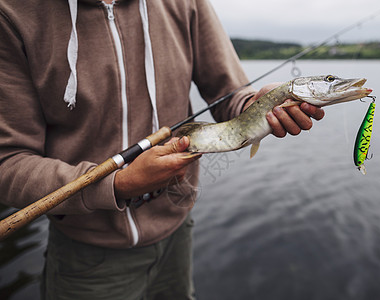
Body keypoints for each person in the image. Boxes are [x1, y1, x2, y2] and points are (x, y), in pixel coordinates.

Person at [0, 0, 324, 299]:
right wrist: (118, 184)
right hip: (86, 256)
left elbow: (232, 95)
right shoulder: (13, 13)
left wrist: (258, 106)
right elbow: (9, 163)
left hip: (178, 235)